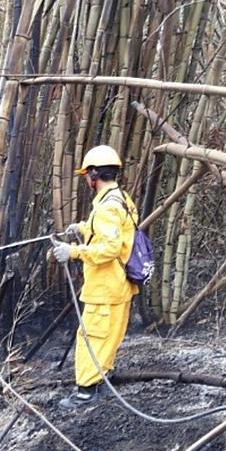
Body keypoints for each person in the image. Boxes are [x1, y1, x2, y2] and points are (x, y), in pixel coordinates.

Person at [51, 145, 139, 410]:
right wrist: (82, 227)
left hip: (106, 286)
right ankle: (102, 379)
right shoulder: (119, 198)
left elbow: (110, 247)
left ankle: (86, 392)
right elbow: (113, 233)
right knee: (109, 335)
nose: (86, 179)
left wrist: (73, 251)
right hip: (118, 284)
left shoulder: (106, 208)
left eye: (86, 174)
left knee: (91, 336)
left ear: (94, 174)